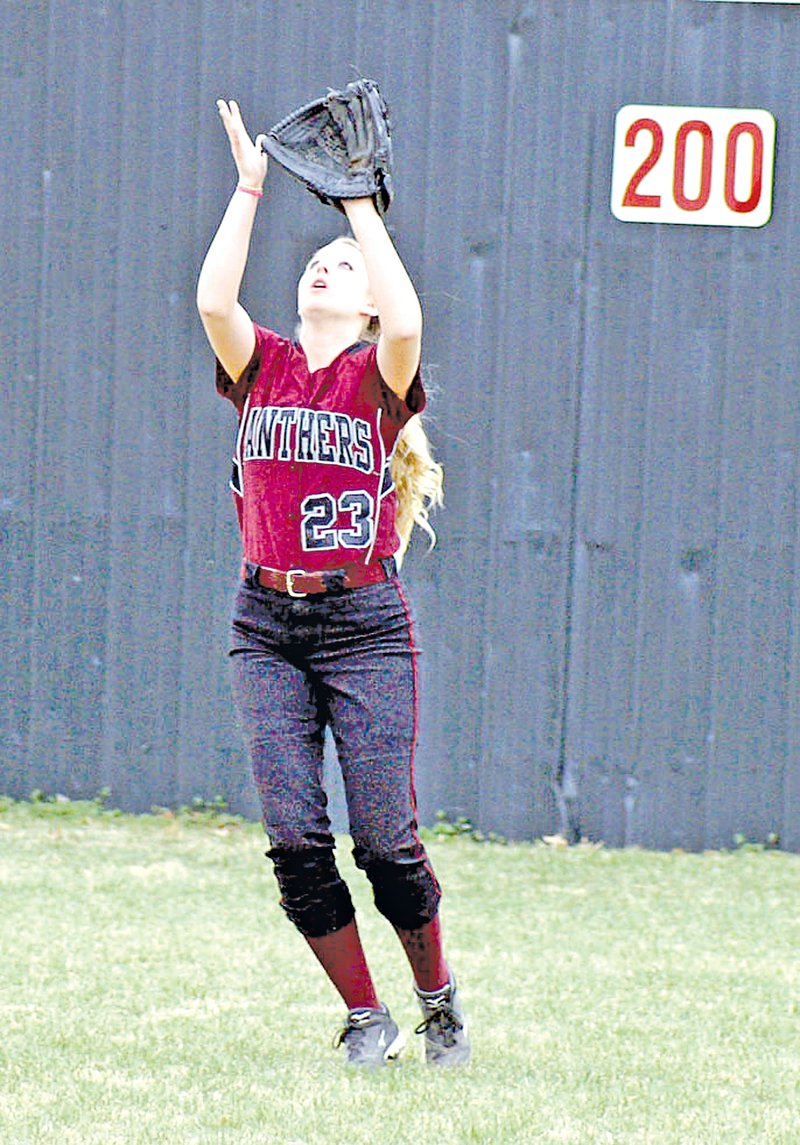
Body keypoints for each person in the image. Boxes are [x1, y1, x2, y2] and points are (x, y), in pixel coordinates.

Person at [196, 98, 470, 1068]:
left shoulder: (373, 374)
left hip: (363, 623)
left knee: (386, 837)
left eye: (342, 267)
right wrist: (248, 185)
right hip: (263, 619)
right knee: (294, 836)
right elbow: (212, 303)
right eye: (315, 259)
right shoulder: (261, 363)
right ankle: (366, 1013)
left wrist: (360, 208)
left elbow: (408, 318)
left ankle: (436, 999)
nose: (323, 264)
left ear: (362, 307)